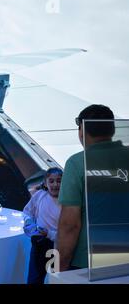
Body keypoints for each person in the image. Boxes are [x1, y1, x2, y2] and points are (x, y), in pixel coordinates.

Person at [57, 104, 129, 271]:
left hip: (88, 264)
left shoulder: (76, 164)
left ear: (82, 130)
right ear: (112, 130)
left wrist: (60, 267)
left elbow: (70, 224)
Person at [23, 167, 63, 284]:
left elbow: (67, 231)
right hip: (39, 244)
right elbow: (27, 212)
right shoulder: (39, 195)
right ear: (45, 183)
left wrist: (49, 234)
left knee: (56, 279)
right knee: (34, 279)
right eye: (51, 181)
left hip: (57, 247)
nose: (55, 184)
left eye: (59, 181)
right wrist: (29, 222)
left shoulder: (66, 202)